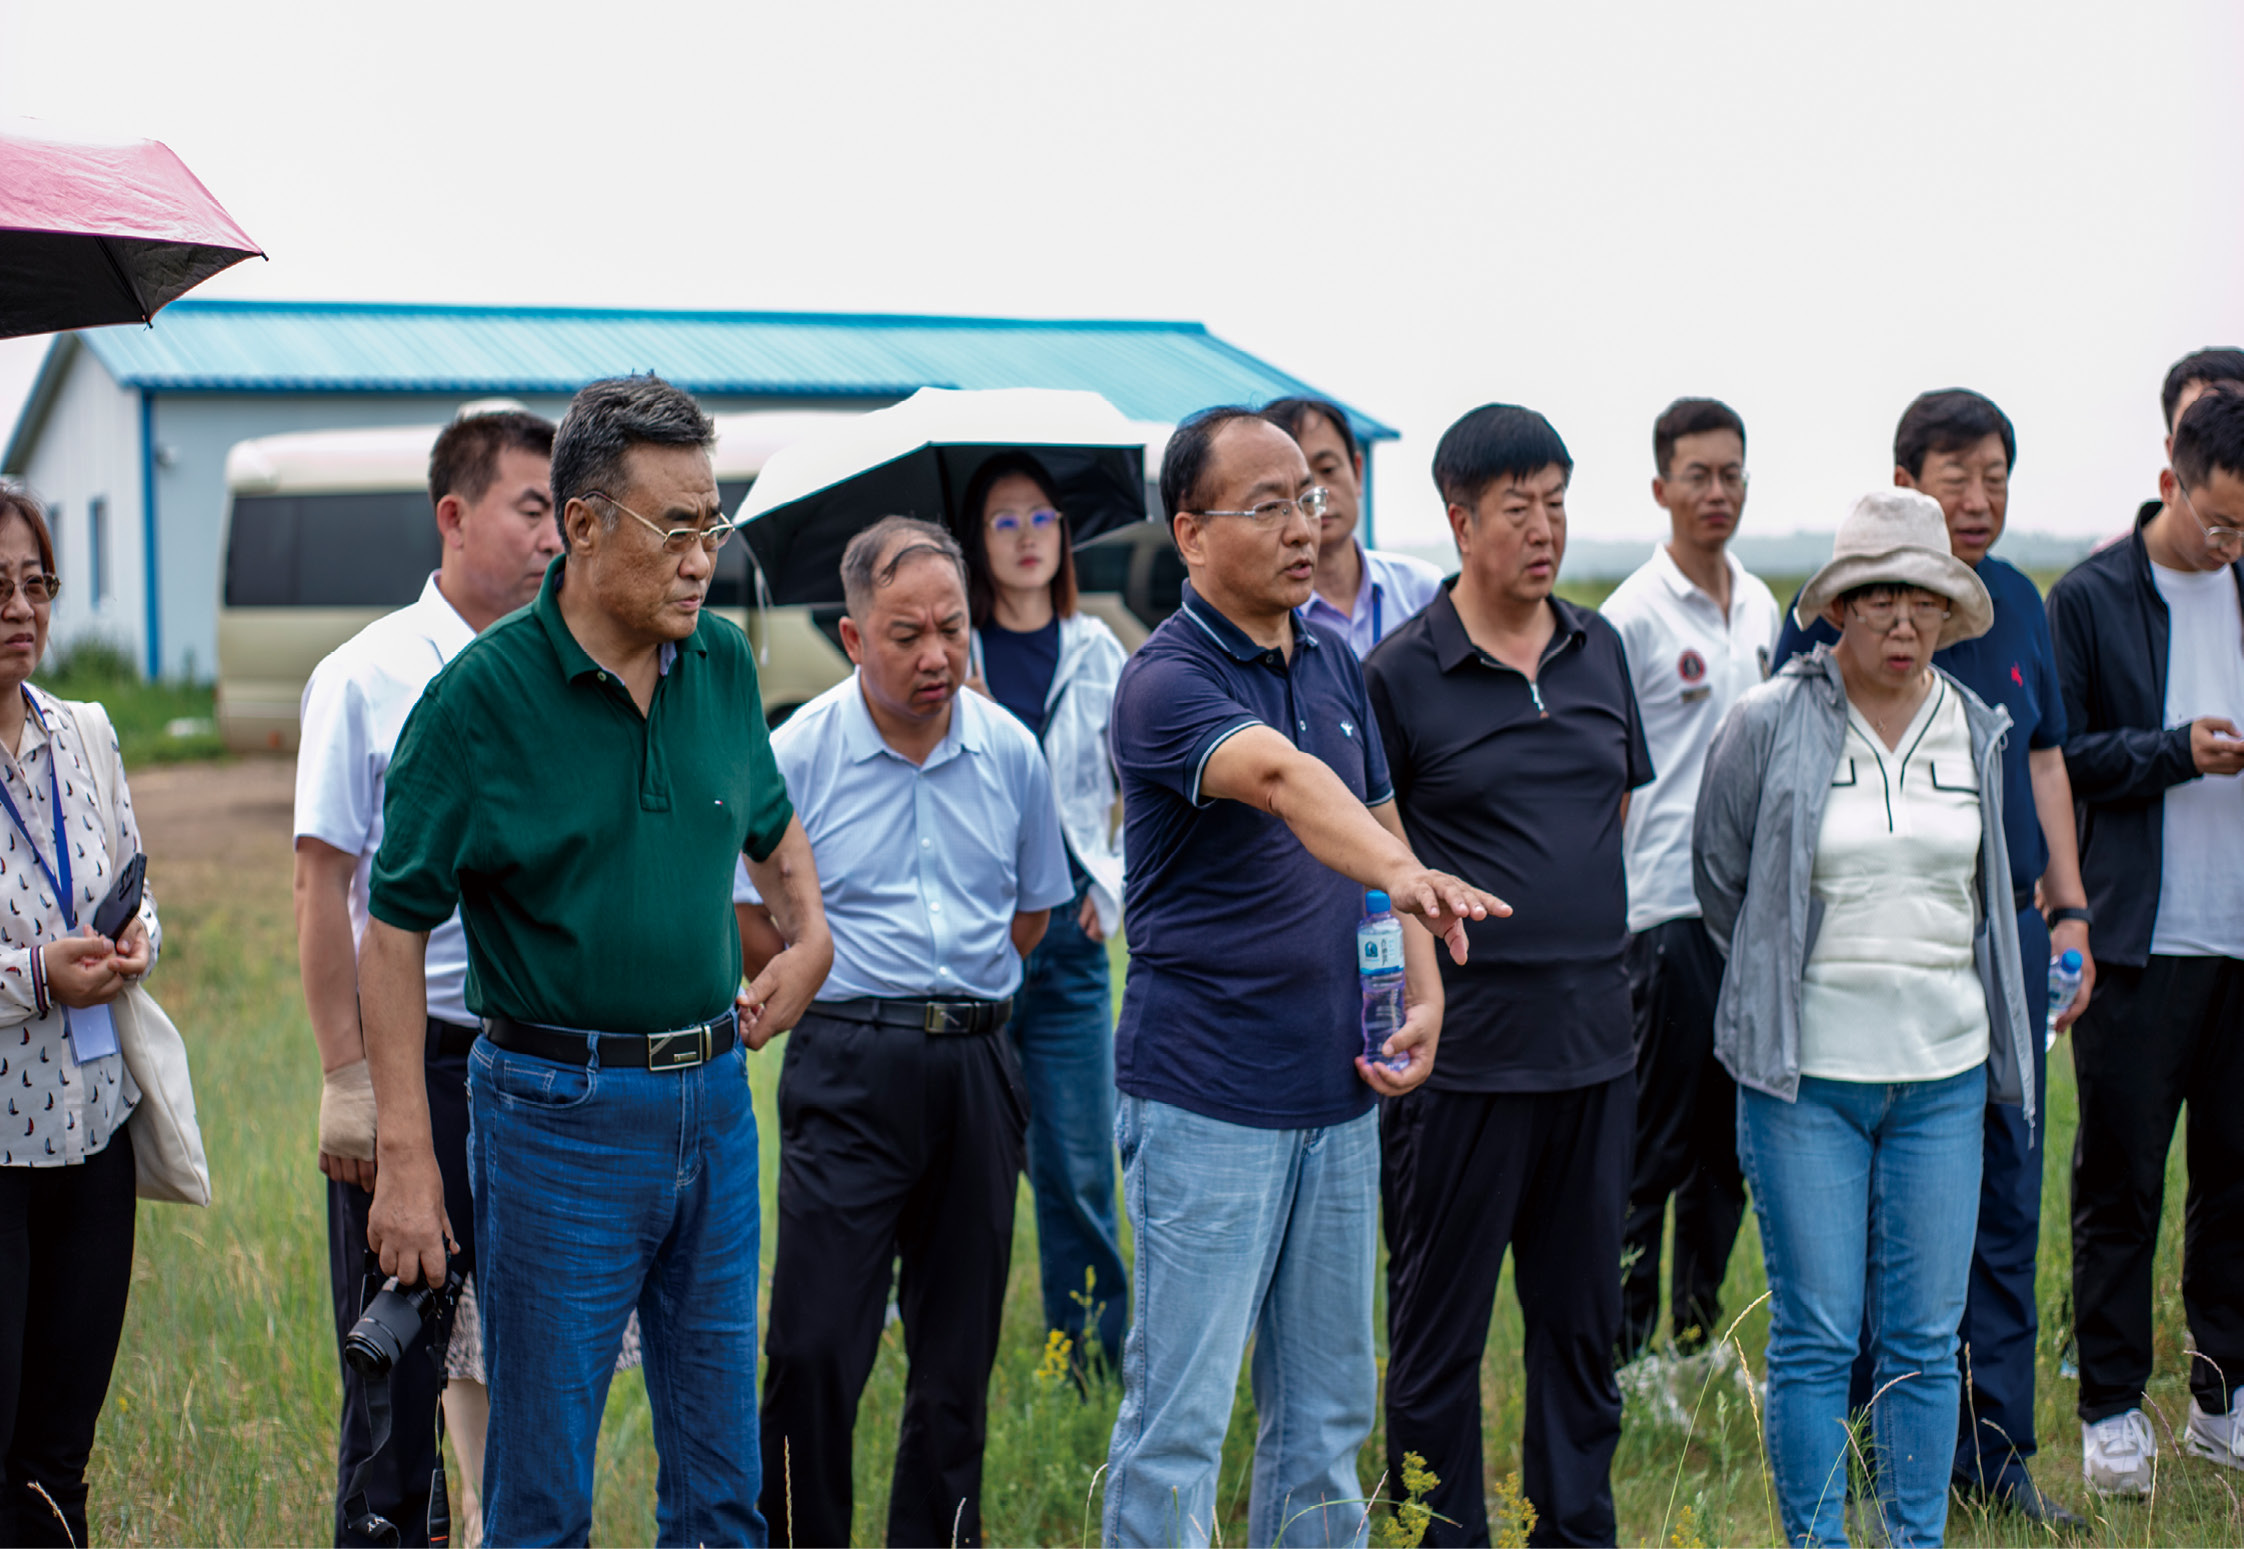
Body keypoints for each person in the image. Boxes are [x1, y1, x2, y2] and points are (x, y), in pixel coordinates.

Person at [360, 375, 833, 1547]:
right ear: (580, 524)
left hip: (715, 1106)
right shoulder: (475, 705)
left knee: (723, 1490)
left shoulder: (722, 664)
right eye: (674, 529)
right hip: (552, 1121)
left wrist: (811, 935)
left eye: (712, 526)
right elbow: (392, 929)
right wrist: (406, 1158)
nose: (701, 559)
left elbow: (770, 825)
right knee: (539, 1499)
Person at [1099, 407, 1504, 1549]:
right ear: (1191, 532)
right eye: (1268, 505)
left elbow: (1382, 820)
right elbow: (1283, 780)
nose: (1303, 528)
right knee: (1179, 1427)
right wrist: (1408, 875)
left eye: (1311, 500)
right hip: (1207, 1100)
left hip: (1338, 1094)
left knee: (1327, 1419)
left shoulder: (1331, 660)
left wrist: (1425, 987)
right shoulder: (1164, 681)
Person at [1696, 489, 2036, 1549]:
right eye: (1879, 595)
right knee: (1815, 1335)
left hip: (1944, 1075)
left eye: (1924, 598)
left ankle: (1914, 1538)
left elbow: (1986, 892)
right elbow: (1723, 880)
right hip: (1806, 1081)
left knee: (1926, 1342)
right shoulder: (1767, 720)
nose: (1902, 619)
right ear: (1838, 606)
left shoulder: (1977, 728)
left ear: (1949, 610)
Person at [1773, 389, 2091, 1523]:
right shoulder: (1832, 620)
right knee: (1869, 1234)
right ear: (1906, 480)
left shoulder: (2018, 602)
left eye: (1998, 475)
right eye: (1959, 475)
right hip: (1863, 954)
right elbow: (1753, 830)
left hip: (1999, 937)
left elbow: (2045, 760)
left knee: (2004, 1202)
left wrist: (2069, 909)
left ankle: (1993, 1456)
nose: (1982, 497)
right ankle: (1872, 1455)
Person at [747, 515, 1075, 1547]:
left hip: (978, 1065)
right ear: (852, 637)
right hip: (849, 1064)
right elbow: (752, 918)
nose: (937, 654)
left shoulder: (1011, 751)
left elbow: (1031, 914)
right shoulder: (797, 754)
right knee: (813, 1346)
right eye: (906, 634)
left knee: (956, 1359)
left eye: (953, 627)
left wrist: (955, 999)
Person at [1367, 404, 1653, 1546]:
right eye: (1517, 507)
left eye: (1557, 503)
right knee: (1440, 1332)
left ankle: (1574, 1531)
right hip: (1466, 1061)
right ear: (1460, 519)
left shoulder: (1599, 648)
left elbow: (1610, 809)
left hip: (1595, 1048)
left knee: (1581, 1329)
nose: (1544, 529)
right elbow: (1380, 860)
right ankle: (1439, 1534)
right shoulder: (1400, 674)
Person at [294, 407, 560, 1547]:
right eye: (532, 509)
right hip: (421, 1067)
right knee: (396, 1389)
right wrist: (350, 1076)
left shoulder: (563, 667)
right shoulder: (367, 674)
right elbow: (322, 885)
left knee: (527, 1371)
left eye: (562, 514)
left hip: (540, 1068)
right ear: (454, 515)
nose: (554, 539)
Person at [2048, 383, 2244, 1494]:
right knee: (2120, 1180)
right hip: (2139, 937)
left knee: (2238, 1177)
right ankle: (2113, 1406)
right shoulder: (2090, 597)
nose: (2231, 545)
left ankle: (2223, 1393)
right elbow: (2060, 758)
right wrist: (2175, 751)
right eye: (2219, 523)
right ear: (2171, 480)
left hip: (2239, 940)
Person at [1600, 397, 1779, 1367]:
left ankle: (1697, 1339)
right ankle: (1626, 1356)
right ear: (1661, 486)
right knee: (1652, 1143)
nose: (1718, 492)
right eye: (1699, 475)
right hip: (1663, 906)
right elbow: (1607, 779)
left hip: (1748, 912)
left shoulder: (1760, 606)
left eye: (1732, 474)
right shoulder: (1631, 615)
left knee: (1727, 1145)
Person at [0, 485, 162, 1549]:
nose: (21, 608)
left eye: (36, 582)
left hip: (94, 1131)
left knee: (60, 1458)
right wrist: (37, 975)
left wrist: (139, 939)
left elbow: (140, 883)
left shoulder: (86, 733)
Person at [956, 453, 1131, 1367]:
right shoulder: (955, 653)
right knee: (961, 1164)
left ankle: (1089, 1362)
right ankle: (951, 1349)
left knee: (1079, 1166)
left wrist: (1112, 884)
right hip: (973, 939)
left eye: (1041, 518)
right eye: (1004, 520)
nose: (1027, 537)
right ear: (975, 541)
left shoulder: (1101, 650)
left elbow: (1147, 784)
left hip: (1068, 943)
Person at [1262, 397, 1443, 659]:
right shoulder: (1262, 614)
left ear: (1357, 472)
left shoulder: (1422, 591)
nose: (1317, 494)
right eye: (1296, 483)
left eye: (1328, 469)